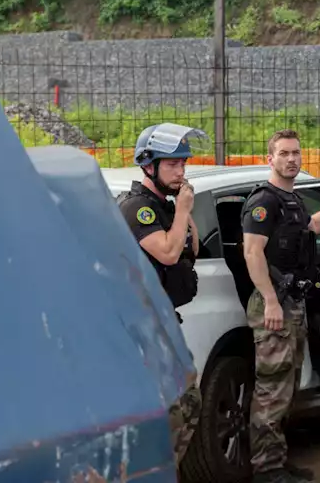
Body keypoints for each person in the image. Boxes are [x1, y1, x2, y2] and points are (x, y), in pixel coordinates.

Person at [240, 129, 320, 483]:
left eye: (296, 153)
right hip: (274, 304)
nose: (291, 159)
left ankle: (277, 461)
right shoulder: (265, 201)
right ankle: (266, 471)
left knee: (287, 388)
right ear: (270, 159)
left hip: (292, 303)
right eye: (283, 153)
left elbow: (315, 226)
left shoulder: (291, 201)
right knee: (271, 391)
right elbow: (252, 252)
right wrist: (270, 300)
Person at [117, 122, 206, 467]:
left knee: (189, 403)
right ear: (148, 165)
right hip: (143, 326)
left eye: (183, 163)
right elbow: (168, 253)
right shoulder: (138, 209)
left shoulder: (166, 205)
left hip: (166, 320)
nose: (181, 170)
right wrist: (181, 210)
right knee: (166, 411)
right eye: (173, 164)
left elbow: (191, 249)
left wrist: (183, 209)